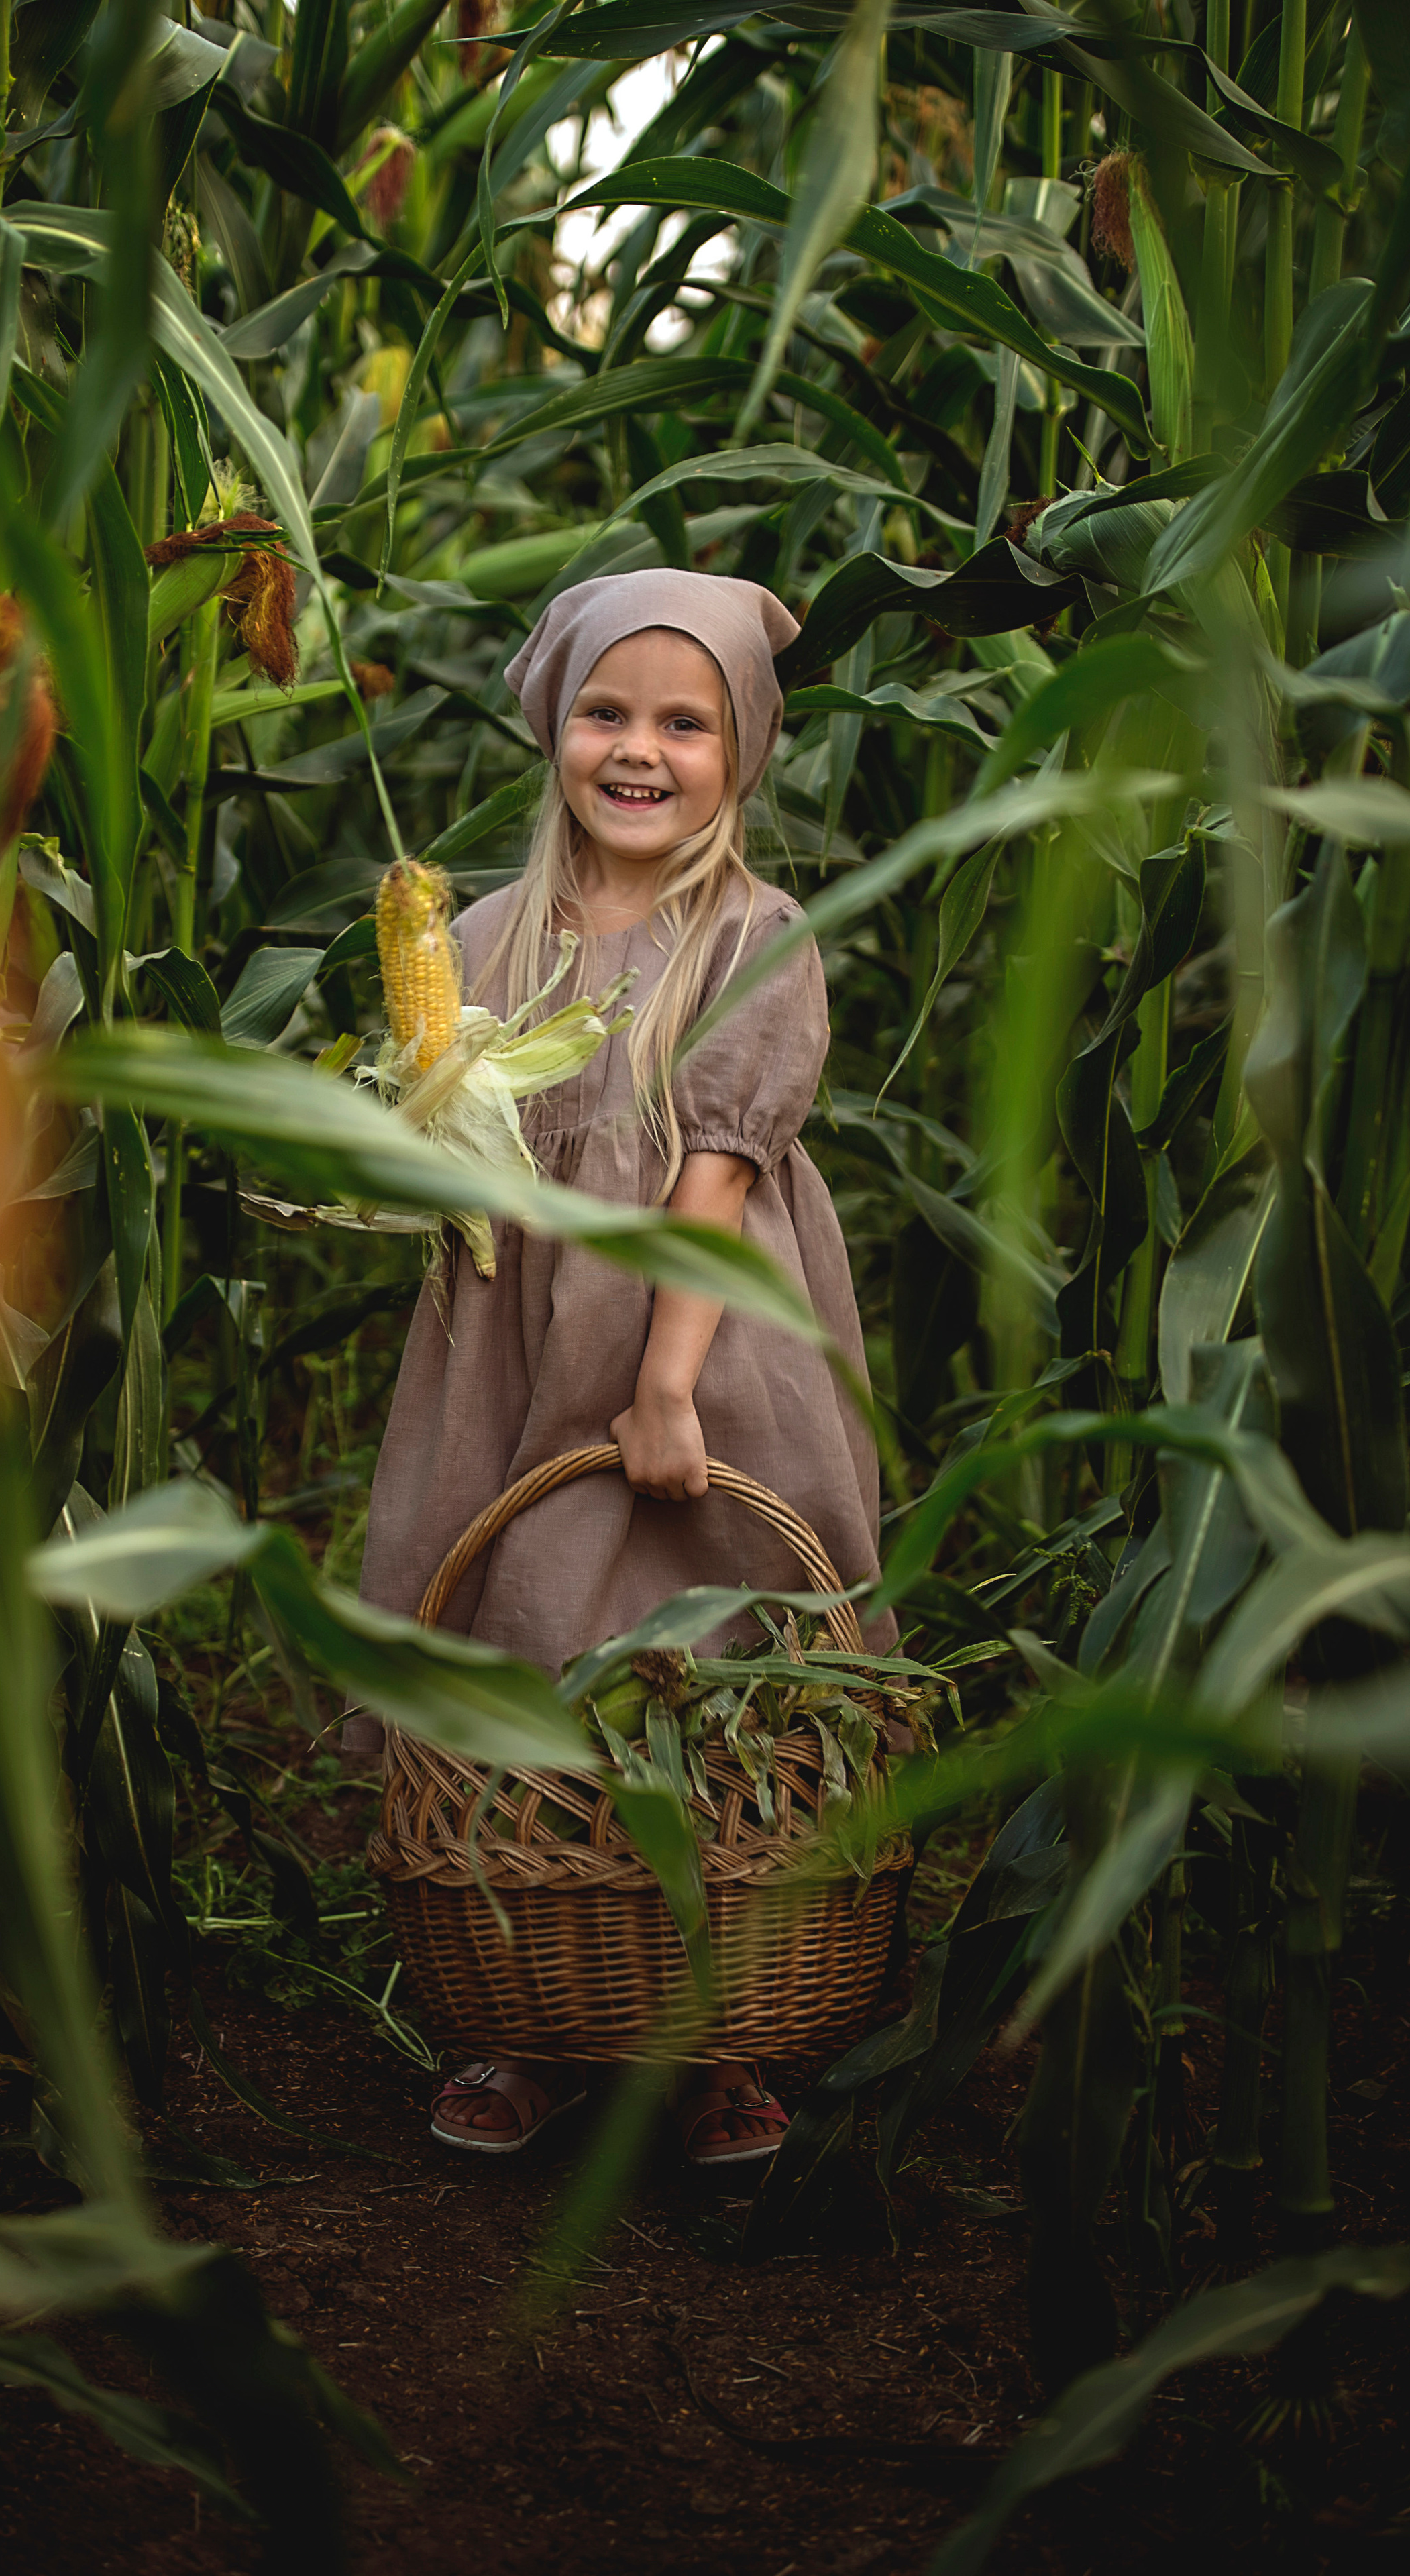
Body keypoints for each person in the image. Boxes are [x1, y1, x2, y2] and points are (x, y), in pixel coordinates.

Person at [359, 567, 894, 2165]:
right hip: (512, 1352)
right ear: (552, 727)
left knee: (715, 1660)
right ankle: (521, 2018)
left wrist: (663, 1386)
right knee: (520, 1637)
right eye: (605, 713)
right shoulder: (482, 936)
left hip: (701, 1340)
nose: (638, 750)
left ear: (741, 752)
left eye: (684, 722)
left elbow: (714, 1182)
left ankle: (722, 2034)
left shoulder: (751, 935)